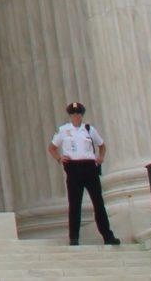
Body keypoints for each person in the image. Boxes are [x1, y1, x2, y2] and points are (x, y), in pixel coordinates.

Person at [49, 99, 119, 246]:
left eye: (78, 114)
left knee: (98, 202)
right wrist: (59, 159)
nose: (76, 117)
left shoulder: (89, 129)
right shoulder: (63, 130)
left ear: (82, 115)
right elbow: (52, 148)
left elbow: (102, 145)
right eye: (73, 114)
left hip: (89, 167)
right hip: (73, 167)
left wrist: (100, 158)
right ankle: (74, 237)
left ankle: (107, 235)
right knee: (75, 204)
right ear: (70, 116)